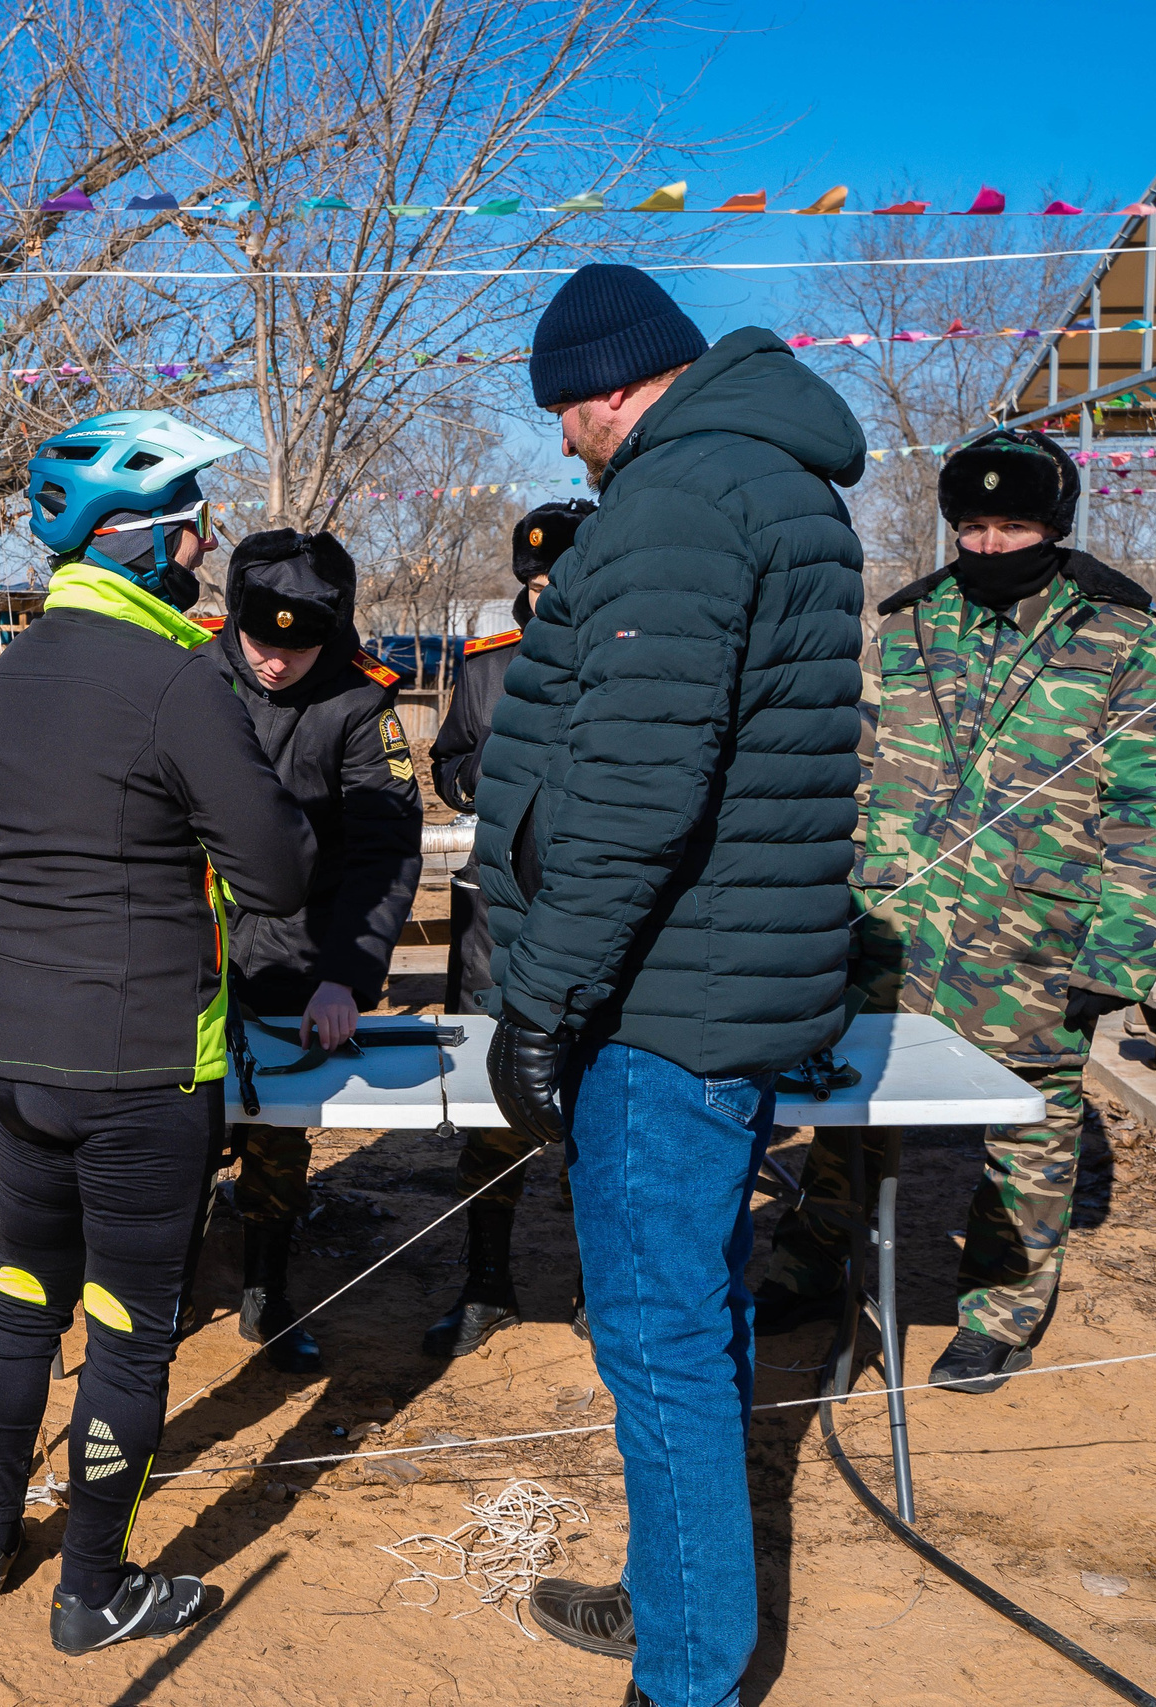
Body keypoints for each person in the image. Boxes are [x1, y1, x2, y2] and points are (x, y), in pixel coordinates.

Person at [471, 267, 867, 1707]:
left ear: (609, 387)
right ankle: (677, 1598)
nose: (562, 440)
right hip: (712, 976)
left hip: (663, 996)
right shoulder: (761, 476)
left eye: (562, 411)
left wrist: (543, 999)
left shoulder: (683, 499)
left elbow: (638, 793)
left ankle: (688, 1671)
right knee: (694, 1305)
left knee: (656, 1334)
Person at [0, 409, 313, 1654]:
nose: (205, 547)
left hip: (18, 1042)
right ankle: (93, 1589)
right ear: (144, 539)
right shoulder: (175, 676)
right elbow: (275, 873)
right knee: (125, 1326)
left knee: (19, 1294)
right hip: (143, 1056)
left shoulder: (13, 670)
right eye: (194, 526)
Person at [757, 429, 1156, 1393]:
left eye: (1012, 526)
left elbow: (1146, 804)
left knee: (1031, 1123)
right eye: (974, 526)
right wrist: (823, 911)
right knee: (850, 1103)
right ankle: (813, 1265)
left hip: (1033, 931)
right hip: (892, 926)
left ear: (1053, 526)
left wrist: (1118, 949)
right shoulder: (910, 622)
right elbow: (855, 771)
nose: (990, 544)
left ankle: (1000, 1311)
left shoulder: (1117, 633)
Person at [201, 527, 421, 1373]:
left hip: (302, 949)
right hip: (192, 943)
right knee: (179, 1121)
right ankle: (171, 1274)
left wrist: (345, 976)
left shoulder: (360, 703)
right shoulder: (192, 673)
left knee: (279, 1131)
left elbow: (384, 850)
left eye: (298, 648)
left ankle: (266, 1281)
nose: (275, 662)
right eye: (261, 641)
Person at [420, 499, 592, 1358]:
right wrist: (490, 767)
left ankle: (599, 1288)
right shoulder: (487, 668)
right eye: (531, 582)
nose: (541, 596)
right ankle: (487, 1282)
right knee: (493, 1113)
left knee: (601, 1113)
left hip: (594, 924)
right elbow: (448, 765)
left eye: (558, 578)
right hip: (498, 923)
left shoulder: (629, 661)